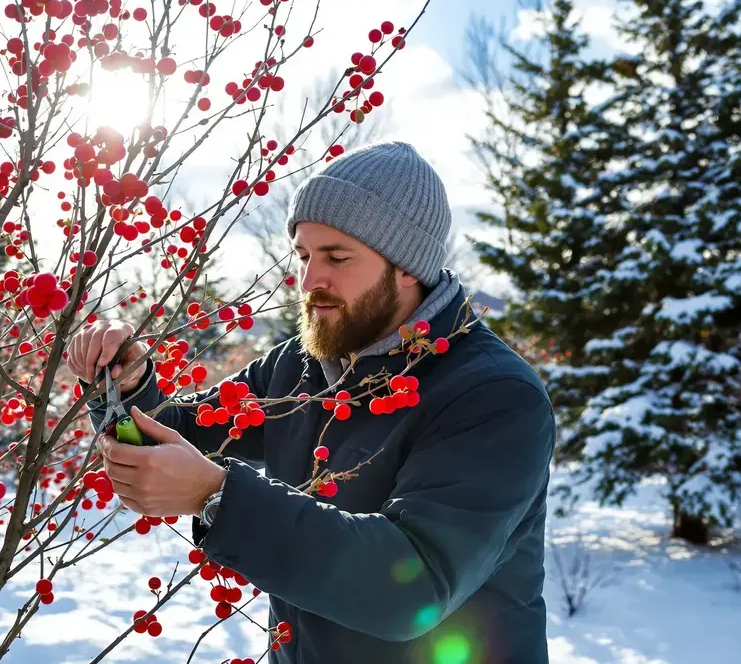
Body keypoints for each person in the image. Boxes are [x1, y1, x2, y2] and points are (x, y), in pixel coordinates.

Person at [66, 141, 555, 664]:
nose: (309, 281)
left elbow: (413, 586)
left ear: (408, 266)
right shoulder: (301, 363)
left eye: (337, 257)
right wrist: (126, 380)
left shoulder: (494, 395)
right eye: (303, 256)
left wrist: (218, 497)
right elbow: (188, 431)